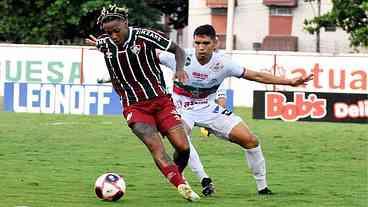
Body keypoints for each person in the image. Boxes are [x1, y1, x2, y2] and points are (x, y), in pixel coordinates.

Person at [159, 24, 313, 196]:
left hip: (208, 107)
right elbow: (150, 54)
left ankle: (263, 188)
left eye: (206, 43)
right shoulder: (179, 56)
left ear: (215, 43)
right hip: (180, 107)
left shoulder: (224, 63)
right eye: (197, 43)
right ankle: (204, 179)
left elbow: (257, 76)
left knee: (250, 140)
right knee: (183, 140)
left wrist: (290, 82)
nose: (201, 48)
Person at [85, 4, 200, 201]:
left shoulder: (146, 36)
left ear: (126, 24)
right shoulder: (105, 43)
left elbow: (178, 50)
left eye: (116, 31)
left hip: (162, 101)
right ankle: (181, 185)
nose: (113, 36)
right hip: (134, 107)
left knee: (183, 147)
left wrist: (179, 69)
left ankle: (175, 174)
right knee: (157, 148)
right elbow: (103, 45)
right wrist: (98, 44)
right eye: (108, 32)